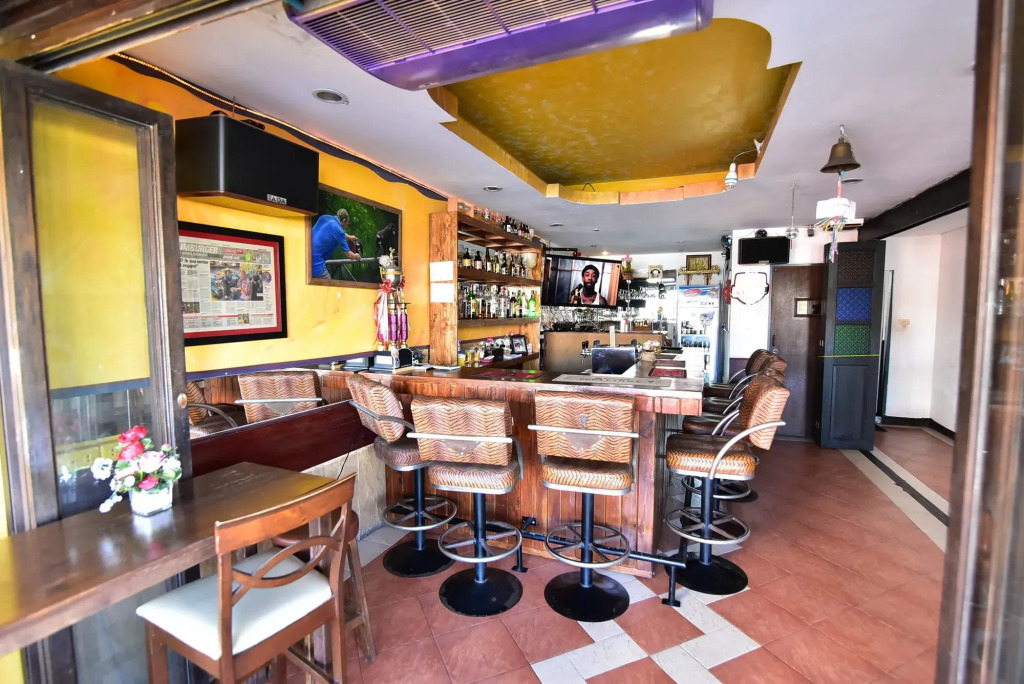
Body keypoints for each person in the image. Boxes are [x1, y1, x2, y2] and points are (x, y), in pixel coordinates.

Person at [311, 208, 362, 279]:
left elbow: (335, 231)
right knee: (329, 284)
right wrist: (357, 255)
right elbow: (350, 256)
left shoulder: (324, 218)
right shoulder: (339, 231)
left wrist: (350, 237)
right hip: (315, 263)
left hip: (303, 256)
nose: (346, 227)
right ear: (344, 221)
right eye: (346, 225)